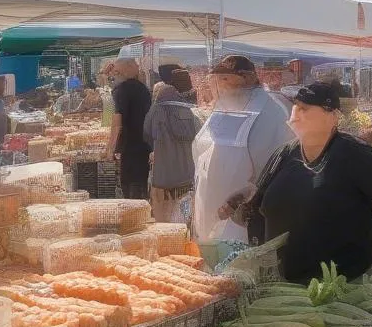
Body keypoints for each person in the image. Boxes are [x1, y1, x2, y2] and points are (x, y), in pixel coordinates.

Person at [238, 81, 372, 283]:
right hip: (285, 282)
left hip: (342, 282)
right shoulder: (284, 154)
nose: (296, 113)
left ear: (331, 115)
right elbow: (258, 200)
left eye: (305, 108)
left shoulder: (352, 153)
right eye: (295, 106)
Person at [192, 55, 293, 242]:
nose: (221, 85)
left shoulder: (271, 112)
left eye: (226, 79)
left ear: (248, 78)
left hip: (242, 217)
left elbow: (275, 167)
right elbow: (202, 148)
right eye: (218, 80)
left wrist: (245, 197)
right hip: (209, 210)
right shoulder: (224, 108)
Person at [144, 74, 201, 223]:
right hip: (186, 169)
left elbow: (147, 132)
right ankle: (185, 229)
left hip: (164, 171)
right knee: (185, 206)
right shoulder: (188, 111)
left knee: (163, 210)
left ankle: (167, 234)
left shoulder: (157, 110)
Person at [103, 59, 152, 200]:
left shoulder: (120, 91)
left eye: (117, 71)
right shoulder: (144, 89)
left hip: (129, 148)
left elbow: (116, 122)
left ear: (122, 71)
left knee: (129, 188)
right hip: (145, 146)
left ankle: (133, 217)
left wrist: (110, 150)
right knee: (141, 186)